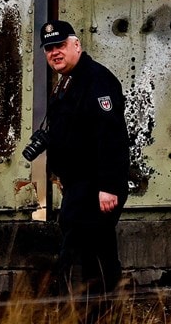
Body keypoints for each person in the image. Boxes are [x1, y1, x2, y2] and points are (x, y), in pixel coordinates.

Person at [37, 20, 130, 295]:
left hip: (95, 188)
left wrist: (109, 187)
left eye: (61, 45)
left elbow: (111, 136)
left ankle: (95, 313)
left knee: (87, 254)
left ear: (76, 45)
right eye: (49, 48)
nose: (55, 52)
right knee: (92, 253)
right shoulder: (68, 81)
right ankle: (96, 312)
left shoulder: (96, 80)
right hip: (79, 186)